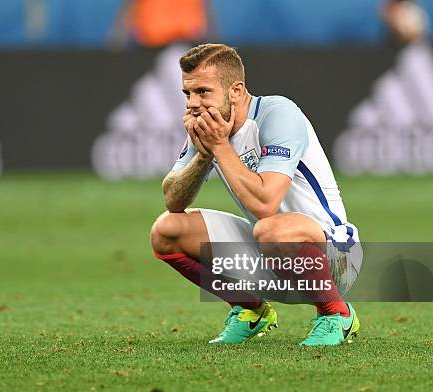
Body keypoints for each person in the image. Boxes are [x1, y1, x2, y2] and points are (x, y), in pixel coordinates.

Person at [150, 43, 363, 346]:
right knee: (166, 231)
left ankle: (336, 314)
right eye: (188, 94)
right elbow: (172, 199)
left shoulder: (278, 114)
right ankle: (251, 310)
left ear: (236, 91)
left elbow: (266, 204)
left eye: (203, 92)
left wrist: (221, 148)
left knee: (269, 229)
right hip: (270, 254)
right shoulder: (210, 128)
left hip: (335, 258)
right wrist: (204, 155)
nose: (192, 104)